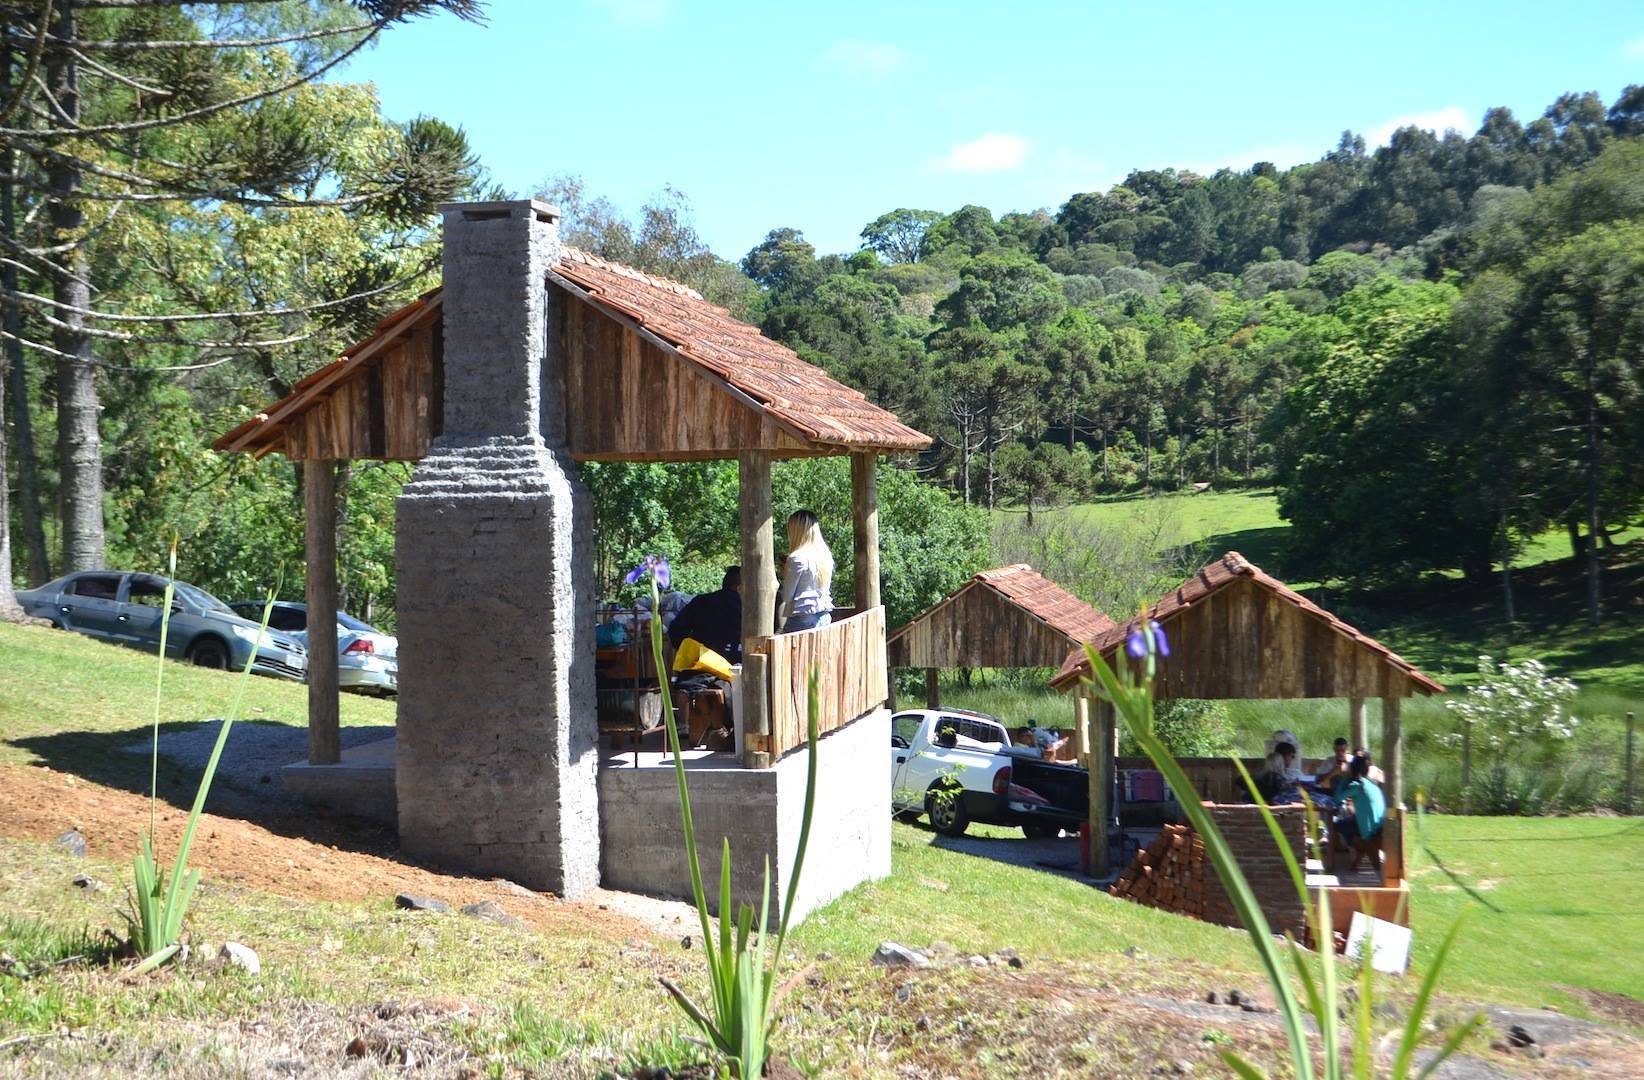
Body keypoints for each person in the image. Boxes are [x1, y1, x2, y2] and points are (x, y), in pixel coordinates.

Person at [668, 566, 743, 664]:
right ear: (740, 588)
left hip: (701, 666)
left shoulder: (700, 601)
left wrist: (693, 651)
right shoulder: (748, 608)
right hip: (736, 667)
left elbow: (675, 630)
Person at [778, 509, 835, 633]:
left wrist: (785, 576)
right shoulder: (826, 556)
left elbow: (787, 597)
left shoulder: (796, 558)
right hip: (824, 616)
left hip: (801, 619)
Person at [1332, 752, 1387, 850]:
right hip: (1379, 827)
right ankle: (1355, 846)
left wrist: (1344, 777)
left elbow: (1336, 799)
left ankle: (1354, 846)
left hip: (1369, 831)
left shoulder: (1357, 786)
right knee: (1349, 820)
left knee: (1336, 825)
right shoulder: (1372, 784)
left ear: (1353, 769)